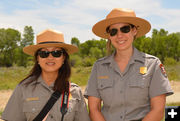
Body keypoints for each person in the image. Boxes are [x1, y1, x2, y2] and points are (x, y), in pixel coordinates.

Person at [84, 8, 173, 121]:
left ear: (134, 30)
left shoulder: (153, 64)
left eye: (125, 29)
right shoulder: (99, 67)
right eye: (114, 31)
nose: (119, 35)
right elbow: (93, 109)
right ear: (109, 36)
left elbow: (158, 110)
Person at [2, 29, 90, 121]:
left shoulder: (75, 91)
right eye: (44, 53)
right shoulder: (23, 88)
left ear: (63, 58)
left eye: (56, 53)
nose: (50, 57)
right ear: (37, 58)